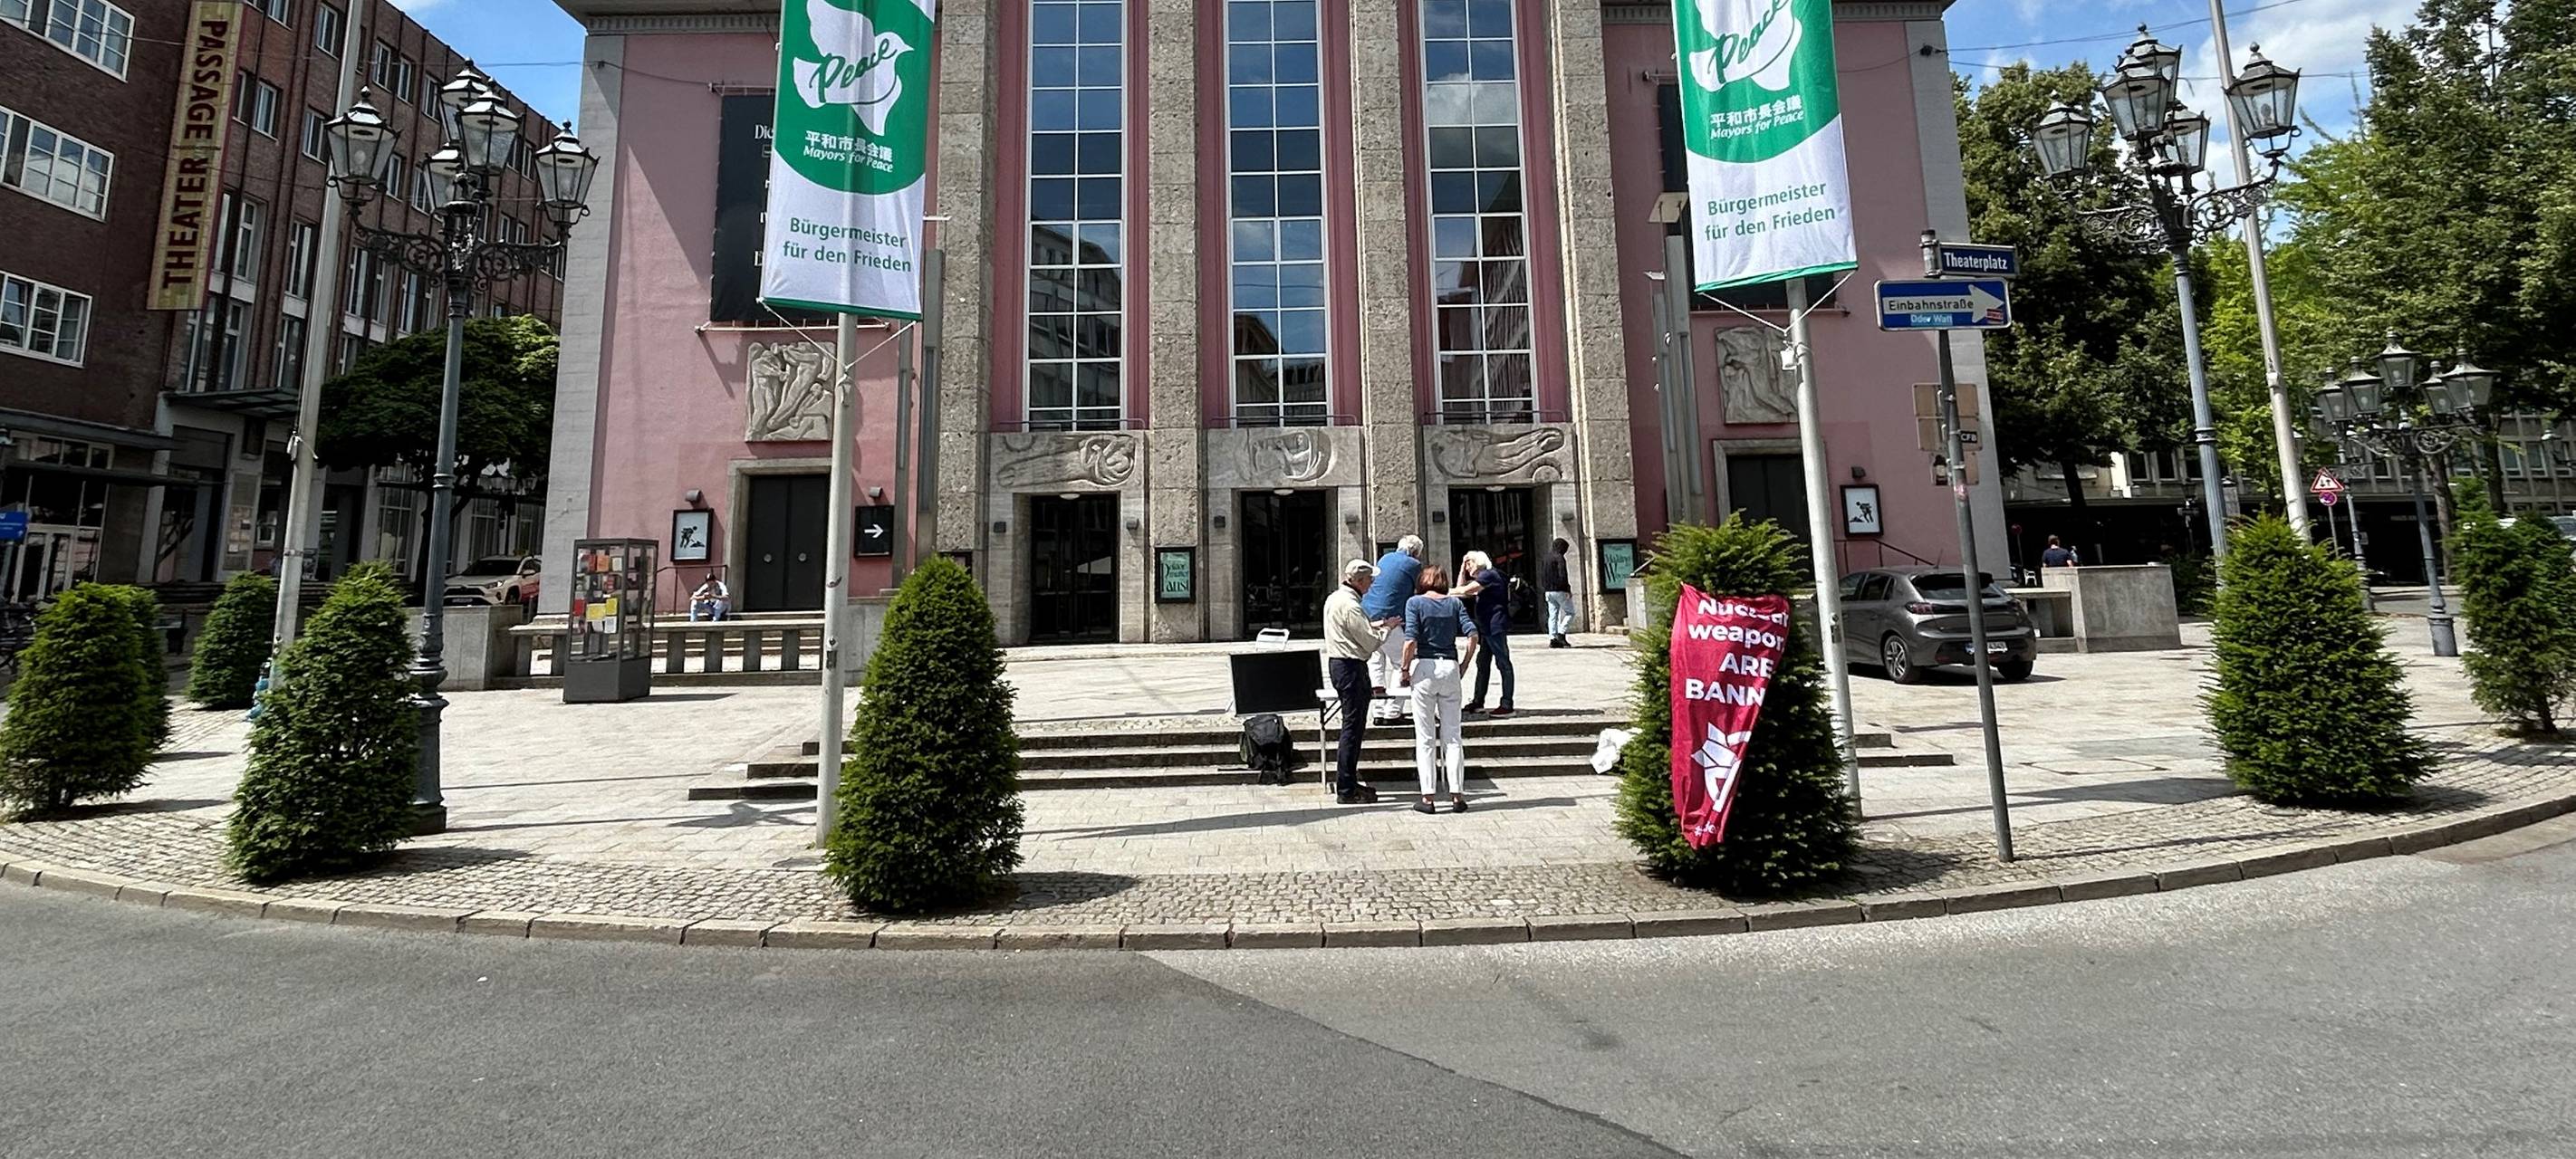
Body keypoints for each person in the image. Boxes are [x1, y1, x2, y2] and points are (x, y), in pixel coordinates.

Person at [1401, 565, 1478, 814]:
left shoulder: (1415, 603)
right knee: (1453, 735)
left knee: (1425, 737)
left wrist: (1404, 669)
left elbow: (1410, 640)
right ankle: (1457, 795)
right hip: (1450, 666)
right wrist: (1464, 664)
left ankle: (1428, 797)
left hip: (1425, 666)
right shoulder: (1454, 603)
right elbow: (1473, 634)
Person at [1321, 559, 1384, 805]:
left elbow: (1349, 629)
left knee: (1352, 726)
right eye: (1369, 579)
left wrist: (1373, 626)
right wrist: (1386, 628)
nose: (1372, 583)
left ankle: (1348, 782)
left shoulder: (1335, 598)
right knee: (1352, 728)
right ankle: (1346, 788)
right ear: (1358, 581)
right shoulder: (1351, 605)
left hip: (1338, 664)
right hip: (1351, 667)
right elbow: (1371, 642)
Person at [1361, 534, 1427, 723]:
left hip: (1369, 615)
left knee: (1376, 661)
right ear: (1415, 552)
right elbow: (1421, 590)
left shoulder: (1385, 558)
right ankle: (1392, 712)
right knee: (1402, 662)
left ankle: (1378, 711)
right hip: (1391, 617)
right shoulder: (1413, 564)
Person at [1454, 549, 1514, 717]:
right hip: (1487, 627)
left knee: (1503, 663)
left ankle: (1507, 704)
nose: (1467, 567)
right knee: (1482, 663)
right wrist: (1462, 569)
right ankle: (1478, 701)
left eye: (1469, 563)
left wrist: (1440, 592)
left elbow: (1464, 591)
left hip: (1495, 626)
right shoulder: (1485, 577)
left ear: (1478, 562)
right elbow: (1461, 589)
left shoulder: (1489, 575)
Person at [1541, 537, 1575, 648]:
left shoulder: (1546, 558)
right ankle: (1561, 633)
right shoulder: (1559, 558)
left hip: (1548, 591)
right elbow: (1563, 575)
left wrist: (1545, 587)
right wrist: (1567, 589)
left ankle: (1553, 638)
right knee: (1570, 612)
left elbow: (1543, 575)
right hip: (1560, 590)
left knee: (1553, 616)